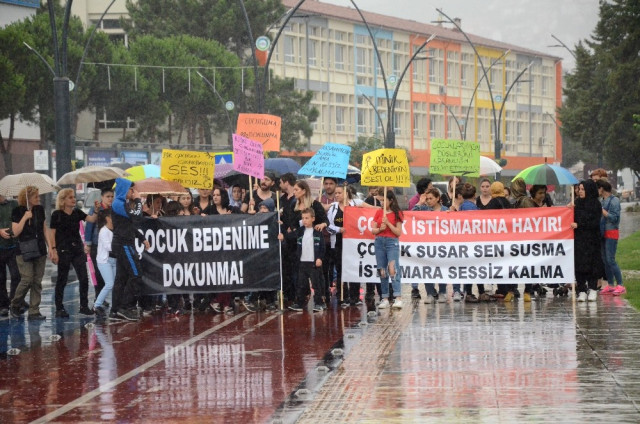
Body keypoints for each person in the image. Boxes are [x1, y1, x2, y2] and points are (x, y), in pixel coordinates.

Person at [50, 188, 99, 317]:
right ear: (63, 200)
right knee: (62, 279)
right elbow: (52, 233)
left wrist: (96, 210)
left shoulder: (77, 212)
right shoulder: (57, 214)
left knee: (84, 278)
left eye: (74, 197)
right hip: (63, 250)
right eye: (70, 197)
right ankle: (59, 308)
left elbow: (92, 219)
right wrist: (53, 249)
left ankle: (84, 306)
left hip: (77, 249)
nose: (74, 199)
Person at [9, 187, 54, 320]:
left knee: (37, 281)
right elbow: (15, 232)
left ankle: (34, 310)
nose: (39, 199)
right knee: (27, 279)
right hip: (24, 250)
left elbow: (44, 229)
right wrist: (25, 218)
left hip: (40, 249)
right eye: (36, 197)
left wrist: (51, 247)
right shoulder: (18, 211)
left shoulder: (39, 209)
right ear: (27, 198)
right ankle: (15, 303)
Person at [111, 178, 150, 321]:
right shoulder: (118, 203)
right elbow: (137, 217)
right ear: (124, 190)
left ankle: (115, 310)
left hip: (125, 243)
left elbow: (130, 224)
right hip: (124, 244)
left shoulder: (123, 204)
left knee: (121, 278)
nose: (133, 192)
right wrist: (139, 200)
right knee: (136, 274)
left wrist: (141, 238)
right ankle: (125, 307)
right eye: (130, 189)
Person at [279, 208, 326, 312]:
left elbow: (322, 247)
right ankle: (299, 303)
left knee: (316, 284)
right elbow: (289, 237)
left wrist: (319, 258)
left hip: (314, 263)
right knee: (301, 284)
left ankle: (319, 303)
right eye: (303, 218)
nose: (304, 220)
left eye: (307, 218)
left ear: (313, 219)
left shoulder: (317, 232)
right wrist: (282, 230)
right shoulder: (300, 231)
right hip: (302, 262)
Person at [327, 185, 366, 307]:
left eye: (339, 193)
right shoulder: (333, 207)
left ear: (346, 193)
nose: (337, 195)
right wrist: (339, 229)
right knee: (340, 270)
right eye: (336, 193)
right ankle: (342, 296)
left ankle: (355, 297)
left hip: (353, 243)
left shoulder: (355, 204)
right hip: (338, 243)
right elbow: (328, 225)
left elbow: (367, 213)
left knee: (354, 268)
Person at [413, 187, 449, 303]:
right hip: (427, 244)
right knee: (427, 269)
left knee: (442, 268)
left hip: (442, 244)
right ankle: (429, 293)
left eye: (431, 198)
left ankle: (442, 292)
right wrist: (420, 202)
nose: (428, 201)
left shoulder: (445, 210)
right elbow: (411, 213)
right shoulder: (424, 209)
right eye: (427, 199)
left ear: (438, 198)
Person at [371, 188, 404, 309]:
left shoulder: (397, 213)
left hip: (391, 242)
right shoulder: (379, 212)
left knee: (393, 269)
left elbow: (398, 232)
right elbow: (373, 230)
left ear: (391, 200)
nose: (382, 203)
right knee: (382, 270)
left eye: (384, 200)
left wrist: (388, 224)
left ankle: (397, 297)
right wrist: (380, 229)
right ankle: (384, 297)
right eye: (380, 200)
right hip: (379, 242)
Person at [570, 180, 602, 302]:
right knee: (579, 264)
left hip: (592, 240)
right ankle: (582, 290)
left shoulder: (596, 204)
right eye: (579, 189)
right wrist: (569, 209)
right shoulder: (577, 203)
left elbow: (595, 222)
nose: (580, 191)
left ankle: (593, 289)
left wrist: (580, 225)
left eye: (583, 189)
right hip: (579, 240)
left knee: (592, 264)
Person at [507, 178, 538, 302]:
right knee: (524, 265)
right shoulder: (524, 201)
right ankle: (525, 291)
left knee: (518, 265)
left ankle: (518, 290)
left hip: (519, 238)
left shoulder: (519, 201)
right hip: (523, 238)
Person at [84, 188, 114, 300]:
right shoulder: (96, 209)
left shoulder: (113, 209)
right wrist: (88, 243)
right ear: (102, 197)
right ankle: (98, 297)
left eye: (112, 196)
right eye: (108, 196)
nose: (110, 199)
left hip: (110, 245)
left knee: (109, 273)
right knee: (98, 272)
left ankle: (102, 297)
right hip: (97, 244)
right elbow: (89, 226)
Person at [597, 179, 625, 296]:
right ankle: (610, 284)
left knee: (610, 259)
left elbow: (615, 218)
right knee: (605, 260)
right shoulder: (601, 201)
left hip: (611, 232)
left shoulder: (614, 201)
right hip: (602, 233)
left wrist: (603, 211)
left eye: (597, 188)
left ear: (602, 189)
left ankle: (620, 285)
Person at [93, 209, 115, 321]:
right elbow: (108, 247)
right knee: (109, 283)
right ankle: (97, 304)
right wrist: (119, 246)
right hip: (104, 261)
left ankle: (115, 306)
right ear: (107, 218)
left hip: (114, 260)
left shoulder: (114, 229)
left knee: (115, 284)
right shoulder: (103, 231)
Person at [0, 194, 20, 317]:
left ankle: (14, 302)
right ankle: (3, 304)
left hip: (13, 246)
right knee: (1, 278)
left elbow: (19, 220)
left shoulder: (13, 204)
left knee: (16, 275)